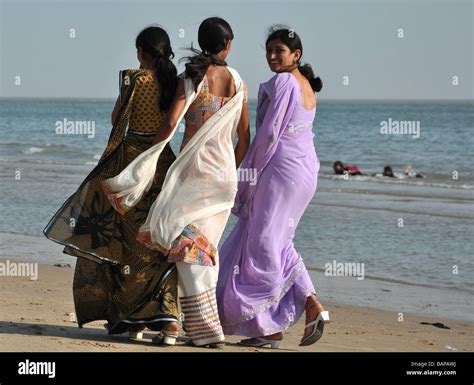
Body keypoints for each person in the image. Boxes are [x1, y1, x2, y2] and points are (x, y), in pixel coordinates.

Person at [101, 17, 250, 348]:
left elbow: (171, 121)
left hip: (193, 173)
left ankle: (200, 328)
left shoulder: (192, 78)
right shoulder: (240, 82)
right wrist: (231, 168)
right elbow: (244, 136)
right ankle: (199, 328)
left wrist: (150, 154)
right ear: (228, 44)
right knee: (201, 247)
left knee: (185, 246)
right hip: (224, 178)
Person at [43, 26, 180, 339]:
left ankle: (135, 319)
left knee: (130, 240)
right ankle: (168, 318)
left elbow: (118, 119)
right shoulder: (178, 81)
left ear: (142, 52)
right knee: (160, 240)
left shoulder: (134, 79)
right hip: (164, 163)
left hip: (132, 164)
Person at [216, 27, 330, 349]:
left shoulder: (284, 82)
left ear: (296, 55)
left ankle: (268, 328)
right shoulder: (307, 86)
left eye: (279, 50)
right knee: (278, 240)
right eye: (268, 51)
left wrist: (247, 174)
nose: (271, 56)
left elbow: (268, 136)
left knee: (263, 242)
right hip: (305, 171)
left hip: (280, 170)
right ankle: (310, 304)